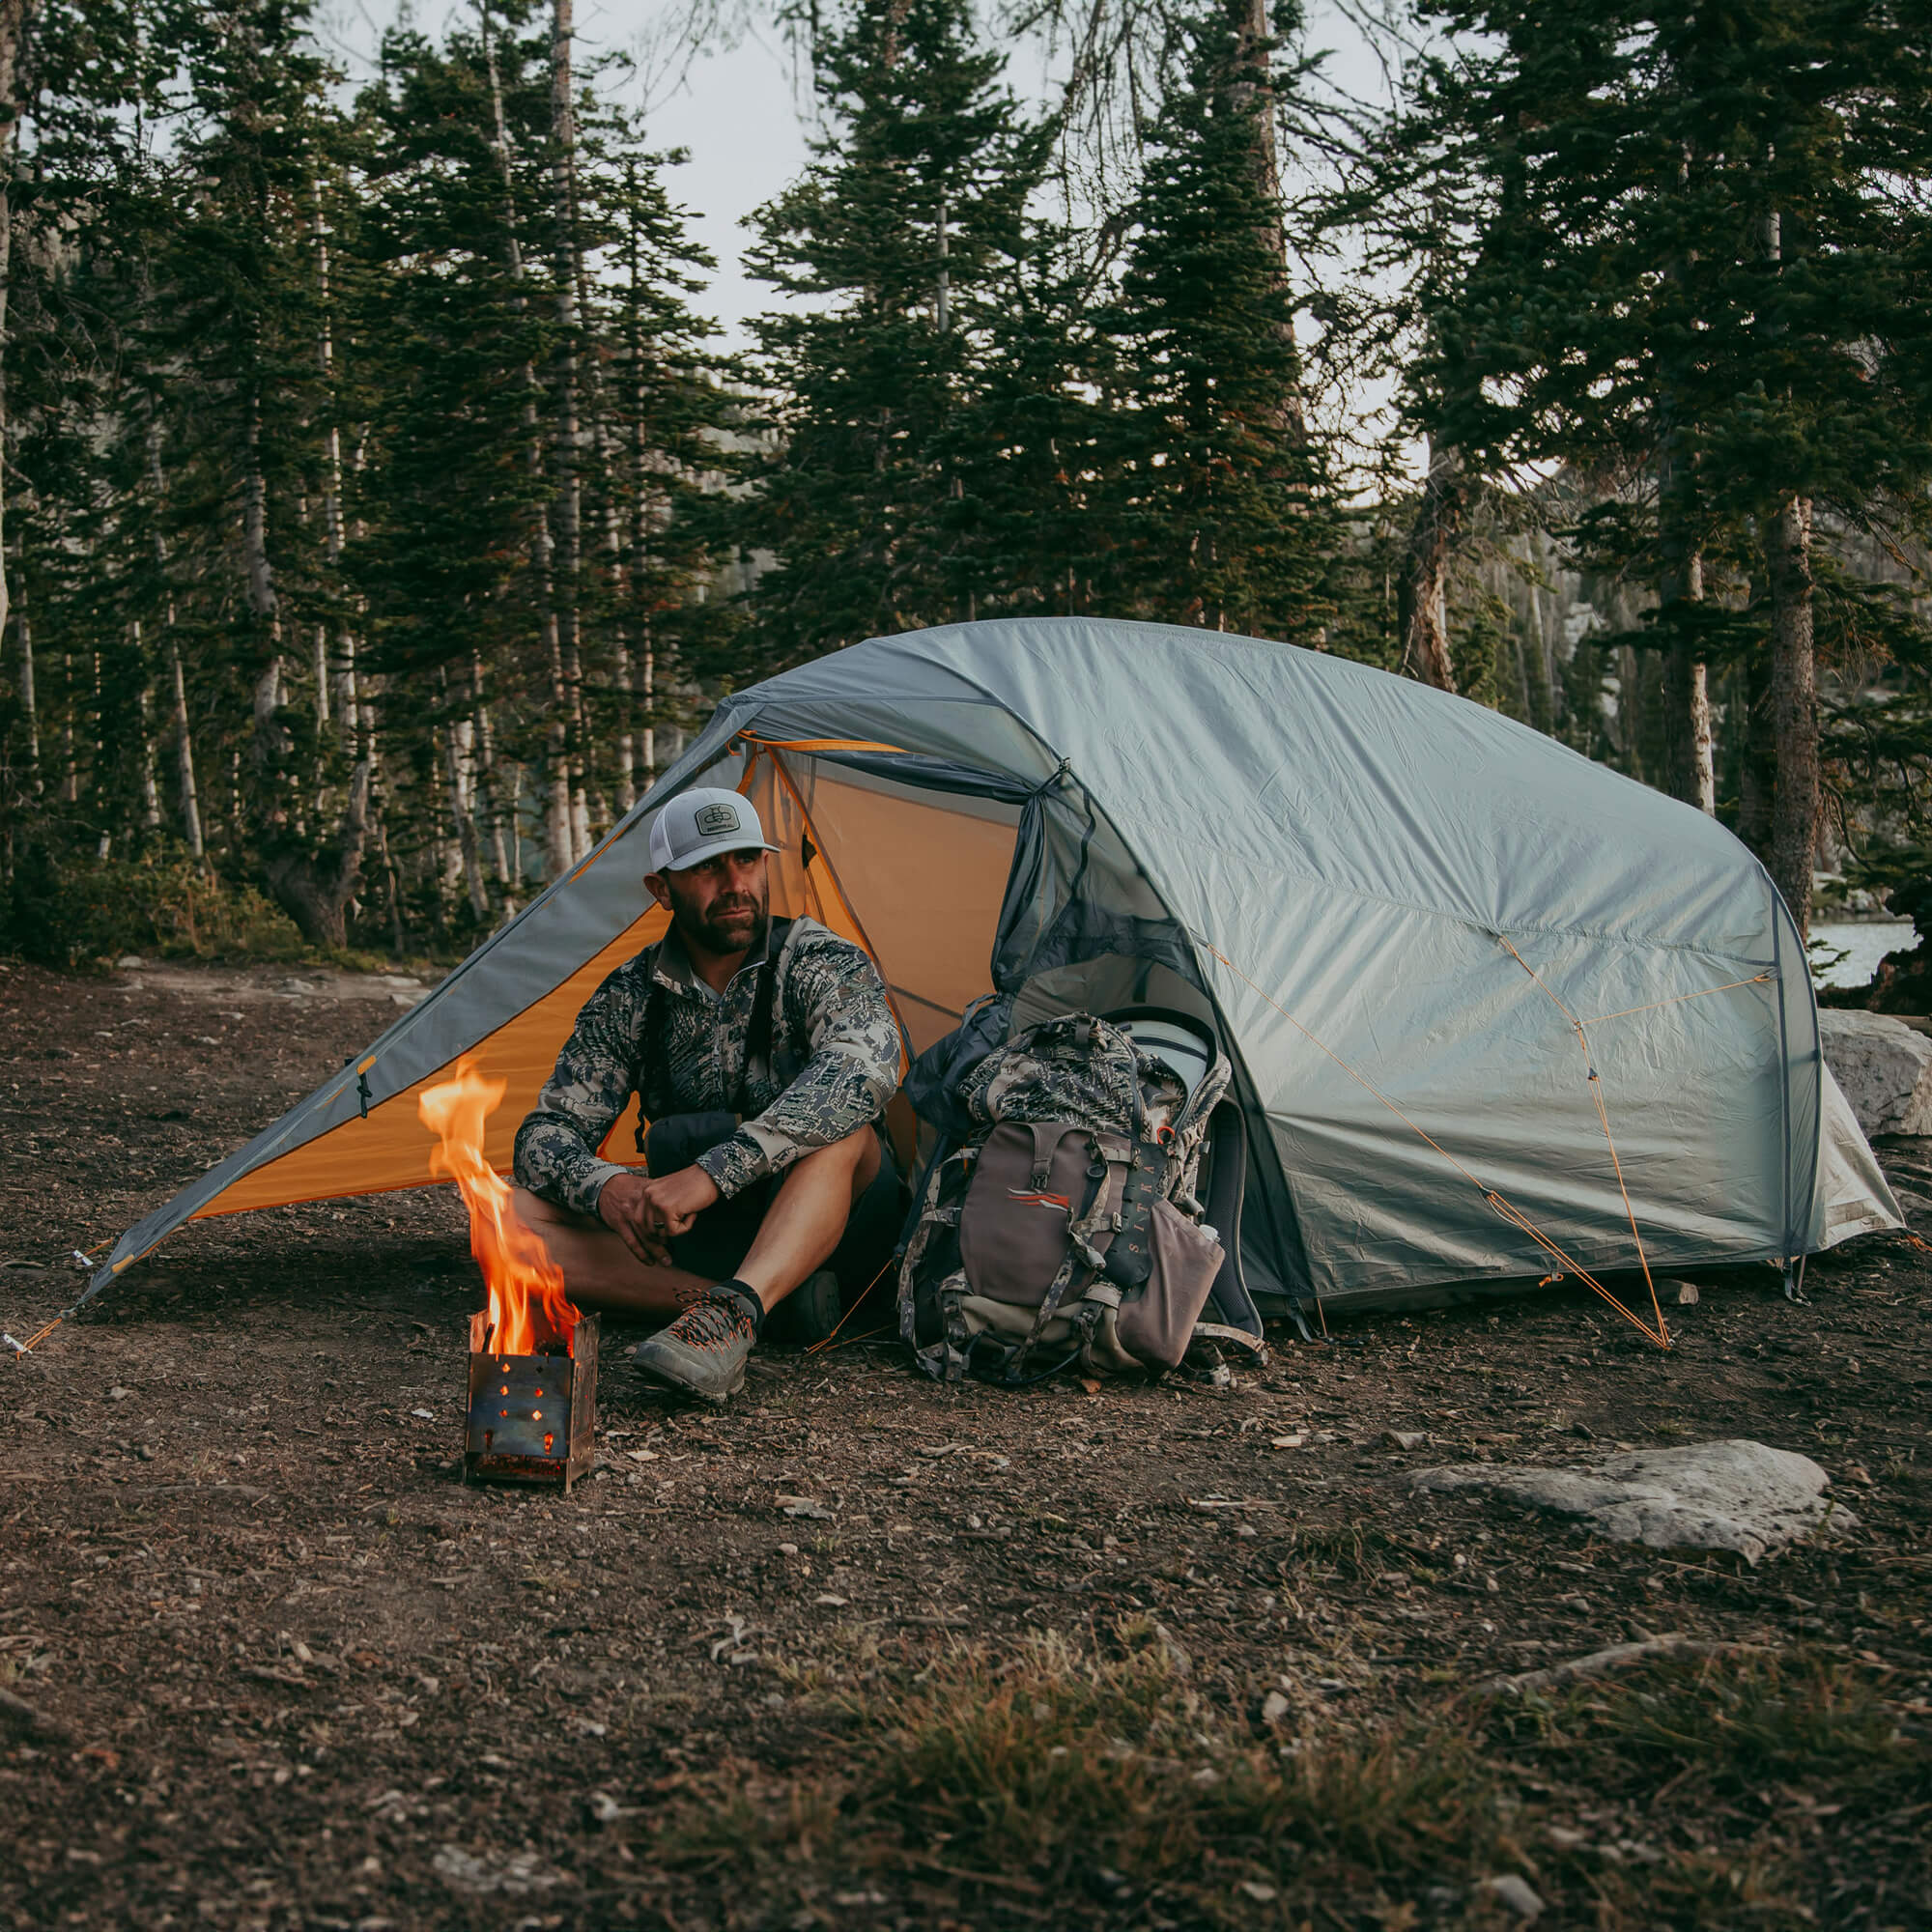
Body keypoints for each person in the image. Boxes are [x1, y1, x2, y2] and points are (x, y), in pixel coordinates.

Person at [511, 787, 905, 1403]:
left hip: (843, 1222)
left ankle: (734, 1315)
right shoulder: (630, 995)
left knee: (843, 1129)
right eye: (706, 867)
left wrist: (712, 1173)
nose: (735, 883)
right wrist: (608, 1188)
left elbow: (866, 1068)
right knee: (509, 1219)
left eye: (747, 860)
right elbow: (543, 1136)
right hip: (711, 1232)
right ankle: (746, 1306)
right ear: (661, 890)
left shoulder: (818, 960)